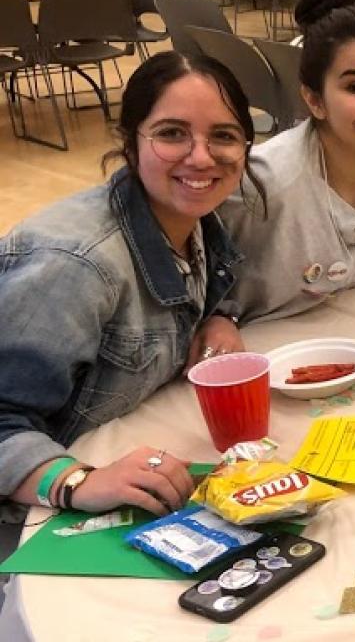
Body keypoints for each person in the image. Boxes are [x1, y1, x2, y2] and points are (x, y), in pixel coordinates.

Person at [0, 51, 264, 519]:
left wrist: (218, 315)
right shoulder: (75, 266)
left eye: (223, 136)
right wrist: (78, 481)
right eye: (171, 134)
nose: (201, 157)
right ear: (130, 142)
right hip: (31, 518)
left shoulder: (195, 221)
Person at [216, 0, 355, 325]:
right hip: (255, 357)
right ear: (314, 100)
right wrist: (216, 318)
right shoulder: (261, 184)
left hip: (354, 346)